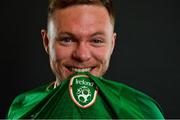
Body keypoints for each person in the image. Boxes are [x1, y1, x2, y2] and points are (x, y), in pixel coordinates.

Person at [7, 0, 164, 119]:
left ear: (112, 44)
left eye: (96, 41)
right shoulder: (22, 106)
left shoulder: (143, 110)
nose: (82, 55)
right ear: (47, 42)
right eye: (67, 40)